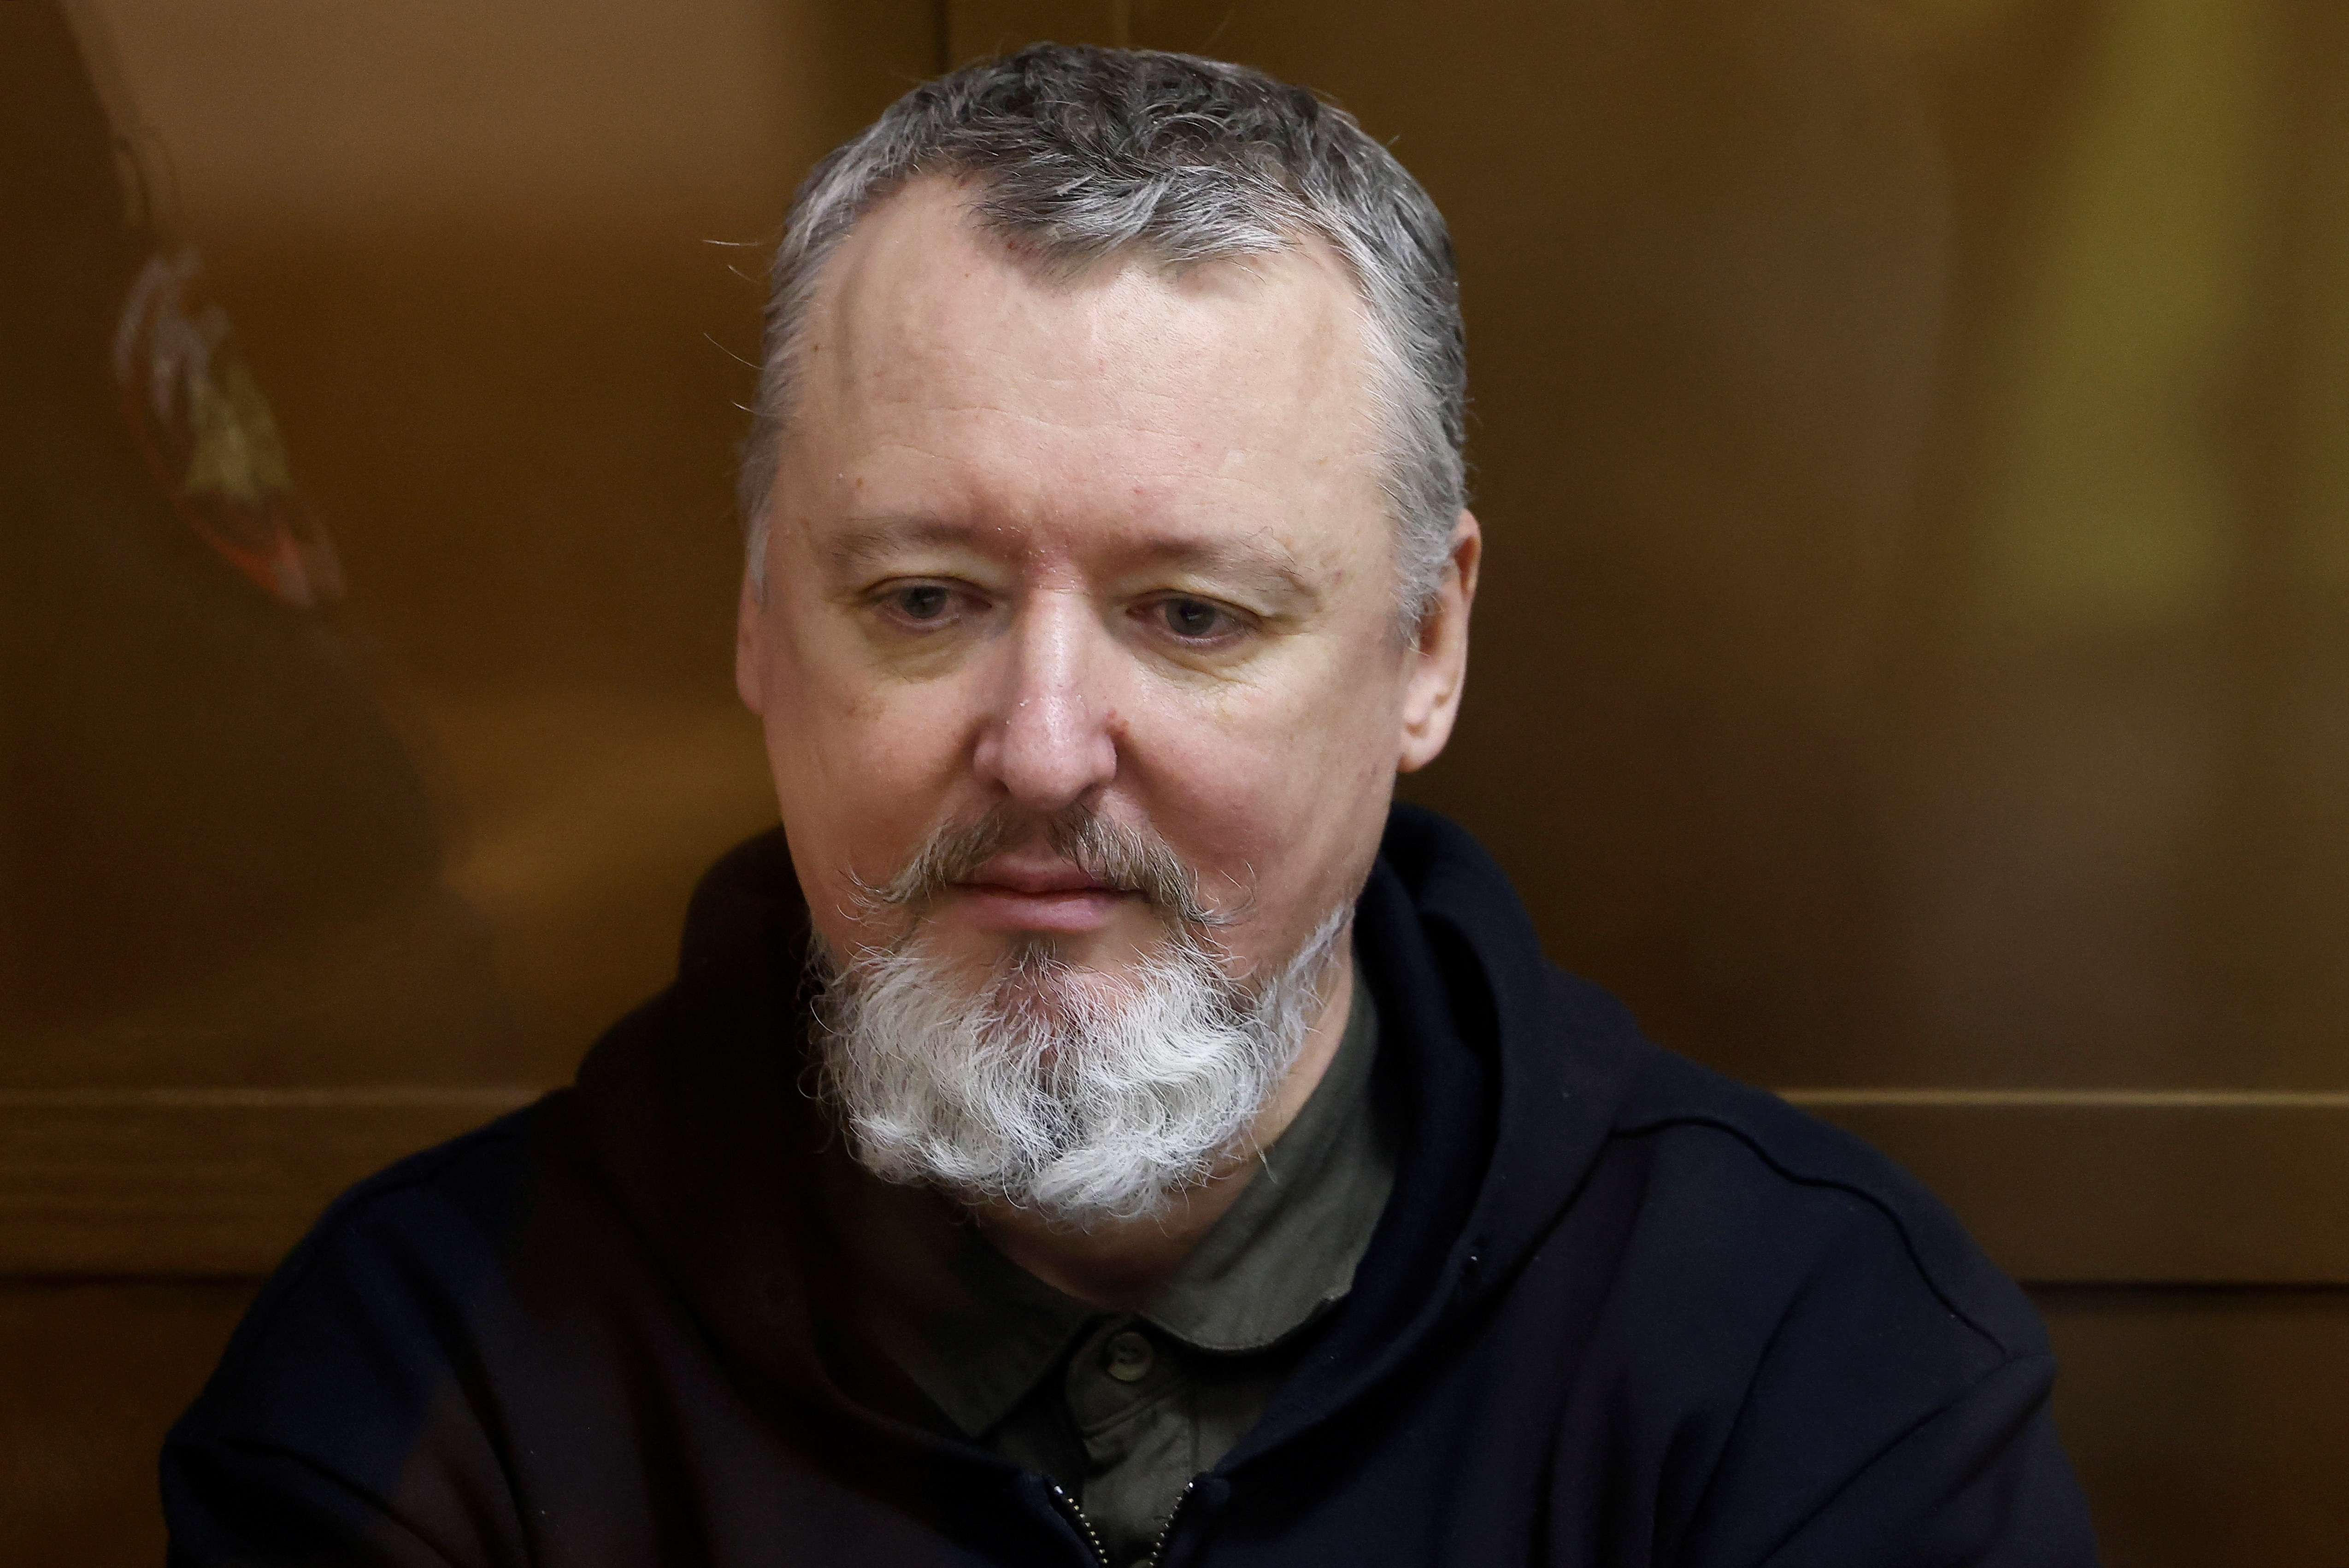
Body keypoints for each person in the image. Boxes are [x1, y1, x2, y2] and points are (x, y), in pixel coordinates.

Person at [164, 45, 2096, 1567]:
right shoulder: (421, 1387)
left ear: (1427, 648)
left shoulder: (1817, 1368)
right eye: (926, 598)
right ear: (759, 623)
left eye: (1192, 613)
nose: (1044, 739)